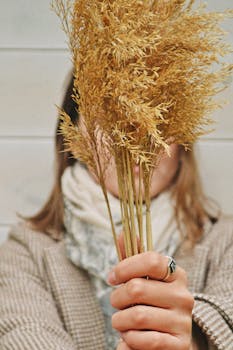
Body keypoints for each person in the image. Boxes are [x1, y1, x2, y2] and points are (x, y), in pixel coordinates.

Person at [0, 73, 232, 350]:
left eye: (159, 119)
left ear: (183, 143)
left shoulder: (226, 241)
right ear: (74, 138)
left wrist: (196, 340)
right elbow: (23, 333)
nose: (135, 140)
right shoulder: (25, 250)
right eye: (112, 118)